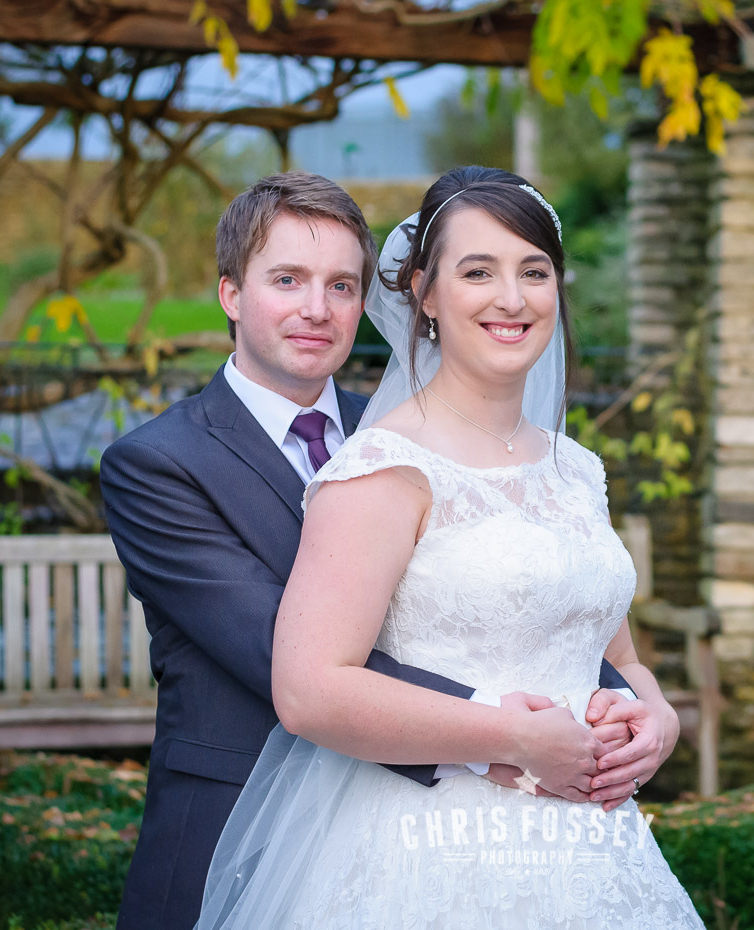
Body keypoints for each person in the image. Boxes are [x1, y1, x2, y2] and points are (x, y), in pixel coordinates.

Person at [99, 171, 669, 930]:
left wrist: (646, 711)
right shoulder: (163, 463)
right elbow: (280, 655)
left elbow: (547, 611)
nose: (317, 308)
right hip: (242, 824)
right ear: (231, 294)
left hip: (533, 818)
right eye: (288, 280)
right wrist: (507, 731)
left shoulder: (422, 431)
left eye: (342, 285)